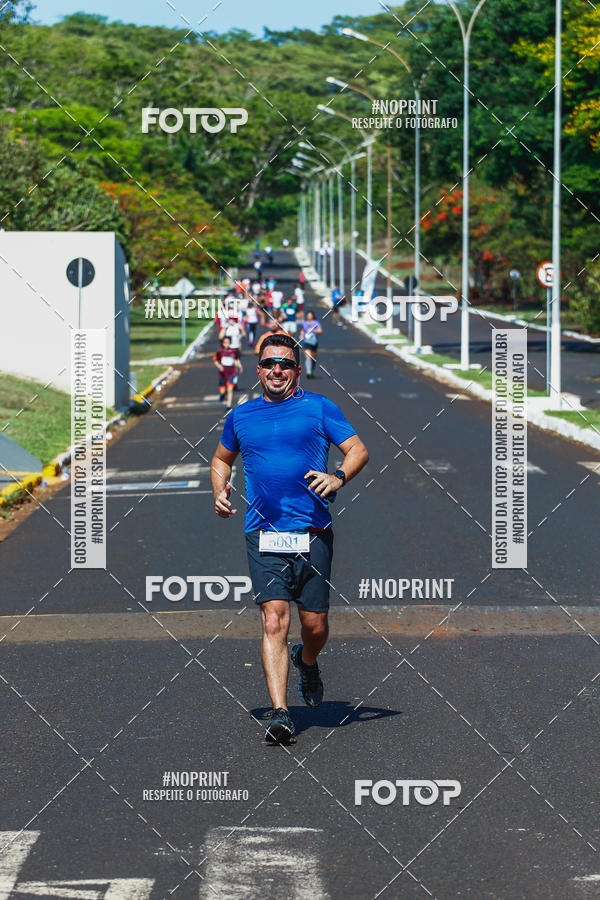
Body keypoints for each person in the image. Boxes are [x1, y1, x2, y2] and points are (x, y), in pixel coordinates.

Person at [210, 333, 369, 744]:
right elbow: (221, 459)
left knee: (314, 626)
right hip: (263, 533)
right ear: (257, 370)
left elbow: (358, 451)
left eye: (284, 364)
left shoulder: (319, 408)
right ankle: (280, 713)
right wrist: (219, 489)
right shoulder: (241, 416)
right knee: (274, 619)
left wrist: (338, 477)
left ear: (297, 371)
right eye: (268, 364)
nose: (276, 370)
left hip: (312, 531)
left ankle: (308, 659)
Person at [213, 335, 242, 408]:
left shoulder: (233, 351)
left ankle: (228, 405)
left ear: (230, 343)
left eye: (228, 342)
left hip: (231, 373)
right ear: (222, 343)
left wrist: (239, 366)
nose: (226, 344)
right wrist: (219, 366)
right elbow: (215, 360)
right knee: (223, 391)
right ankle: (222, 395)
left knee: (230, 389)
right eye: (225, 343)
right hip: (222, 374)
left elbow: (236, 359)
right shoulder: (220, 352)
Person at [300, 309, 323, 378]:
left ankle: (312, 370)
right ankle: (308, 371)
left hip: (313, 342)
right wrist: (301, 335)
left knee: (313, 357)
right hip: (306, 342)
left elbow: (320, 331)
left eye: (310, 315)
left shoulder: (316, 323)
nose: (309, 316)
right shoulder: (304, 323)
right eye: (308, 315)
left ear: (313, 316)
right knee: (308, 356)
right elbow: (302, 330)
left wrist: (313, 330)